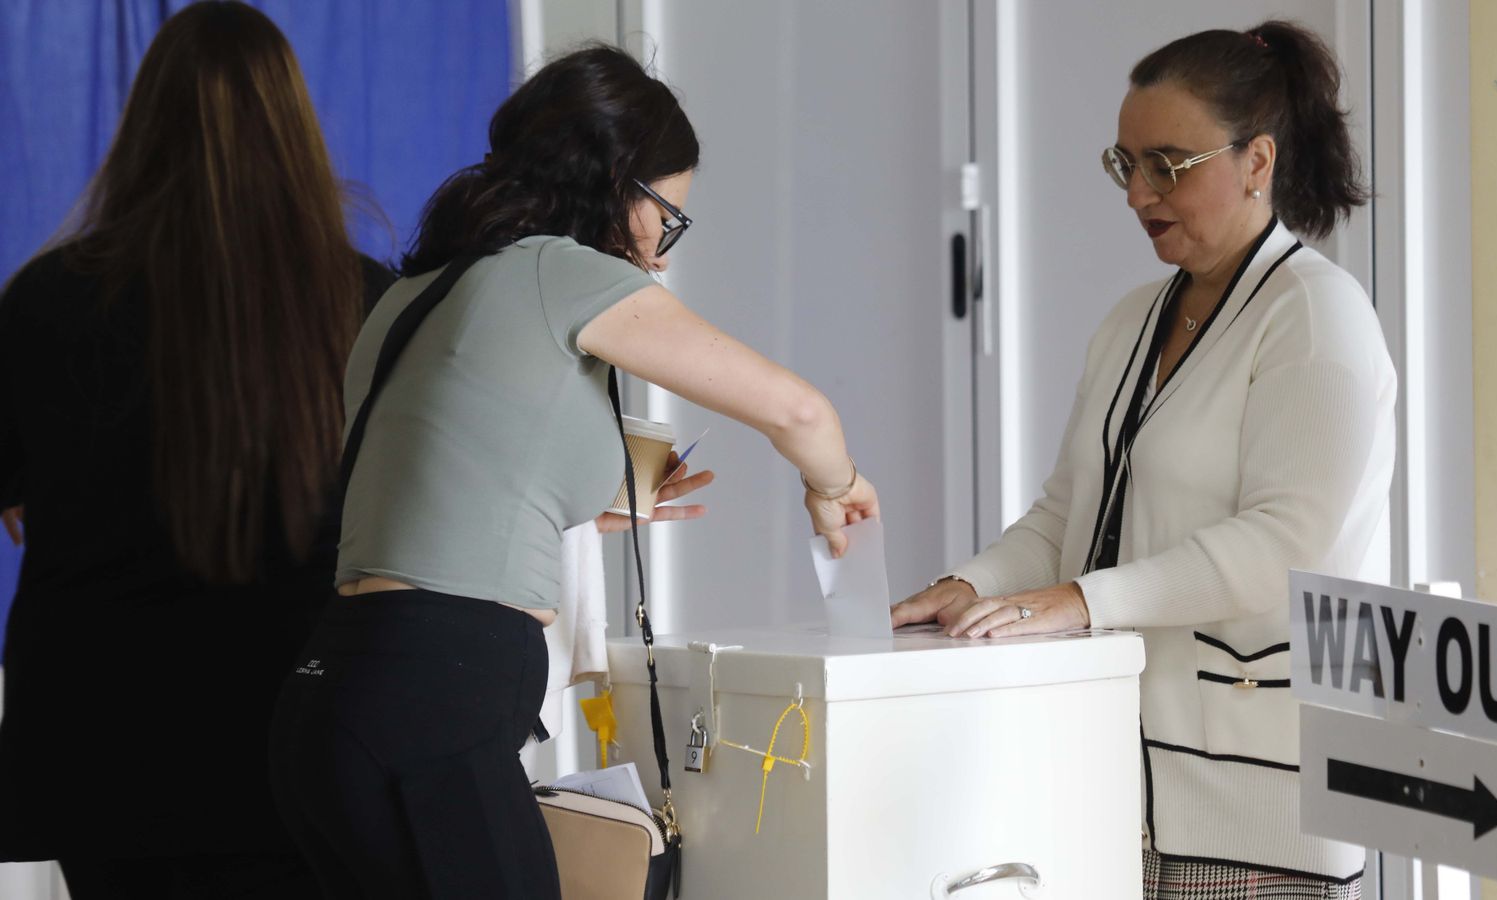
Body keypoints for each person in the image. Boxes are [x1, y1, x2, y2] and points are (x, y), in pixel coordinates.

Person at [267, 44, 879, 898]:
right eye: (666, 216)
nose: (662, 254)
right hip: (432, 701)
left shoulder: (416, 294)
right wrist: (835, 485)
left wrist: (588, 508)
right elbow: (800, 412)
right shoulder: (557, 270)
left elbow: (427, 479)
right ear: (616, 182)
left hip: (333, 694)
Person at [893, 21, 1392, 899]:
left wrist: (1085, 602)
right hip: (1113, 793)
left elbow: (1288, 547)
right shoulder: (1132, 319)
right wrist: (974, 586)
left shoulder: (1318, 315)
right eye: (1126, 164)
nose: (1138, 193)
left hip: (1262, 818)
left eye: (1169, 164)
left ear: (1257, 161)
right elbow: (1067, 516)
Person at [0, 3, 396, 897]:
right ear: (295, 129)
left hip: (102, 746)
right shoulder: (365, 302)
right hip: (303, 732)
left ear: (143, 131)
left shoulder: (47, 299)